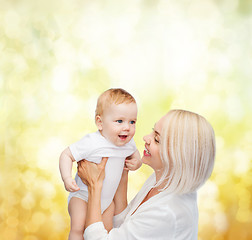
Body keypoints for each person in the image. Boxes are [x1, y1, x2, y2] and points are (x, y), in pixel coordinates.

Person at [77, 109, 216, 240]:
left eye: (157, 139)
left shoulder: (167, 212)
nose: (145, 138)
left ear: (179, 156)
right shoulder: (163, 179)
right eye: (152, 132)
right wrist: (122, 173)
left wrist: (94, 185)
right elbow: (126, 226)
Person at [59, 88, 142, 240]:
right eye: (119, 121)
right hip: (82, 197)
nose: (127, 127)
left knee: (106, 232)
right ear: (100, 123)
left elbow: (136, 155)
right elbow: (66, 154)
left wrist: (137, 163)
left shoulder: (128, 144)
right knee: (79, 229)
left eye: (132, 122)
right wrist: (66, 178)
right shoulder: (92, 142)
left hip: (107, 201)